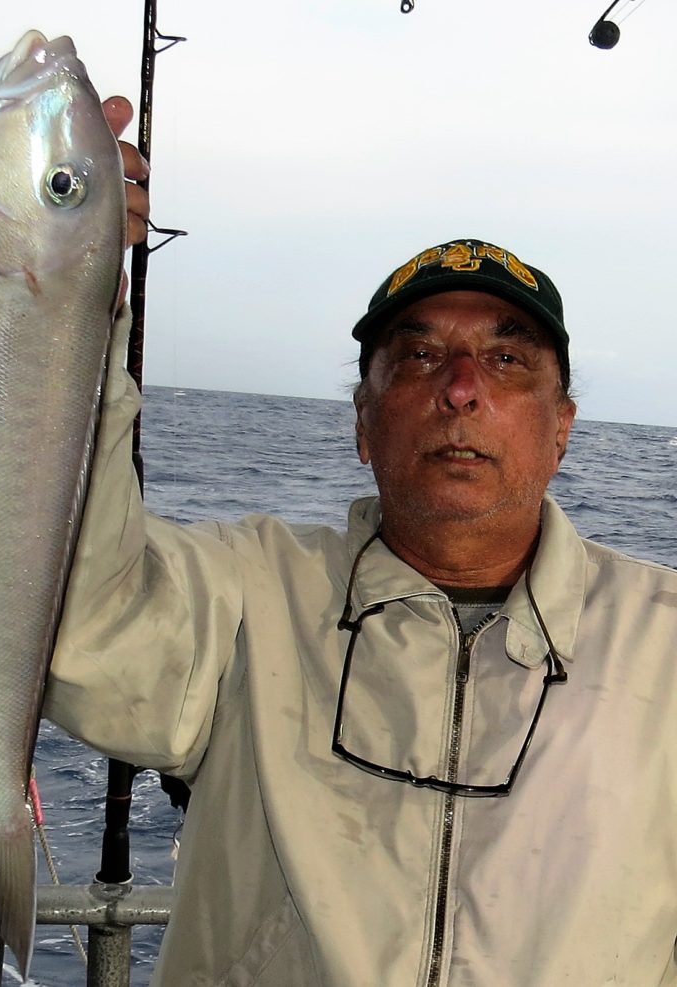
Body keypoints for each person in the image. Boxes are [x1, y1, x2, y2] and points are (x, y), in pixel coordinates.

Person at [43, 99, 677, 985]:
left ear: (562, 425)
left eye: (506, 360)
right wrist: (55, 304)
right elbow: (63, 622)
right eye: (416, 358)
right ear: (362, 421)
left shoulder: (664, 639)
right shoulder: (248, 597)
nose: (460, 389)